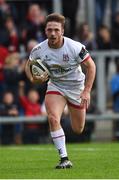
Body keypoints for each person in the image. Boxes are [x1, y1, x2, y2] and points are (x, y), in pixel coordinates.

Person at [25, 13, 96, 169]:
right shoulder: (39, 49)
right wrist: (32, 78)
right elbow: (28, 65)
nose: (53, 33)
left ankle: (66, 151)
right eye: (49, 29)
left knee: (78, 129)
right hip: (56, 85)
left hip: (76, 87)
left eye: (56, 30)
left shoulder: (75, 47)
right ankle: (64, 158)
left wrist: (87, 91)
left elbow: (91, 66)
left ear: (62, 31)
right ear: (45, 31)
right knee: (53, 118)